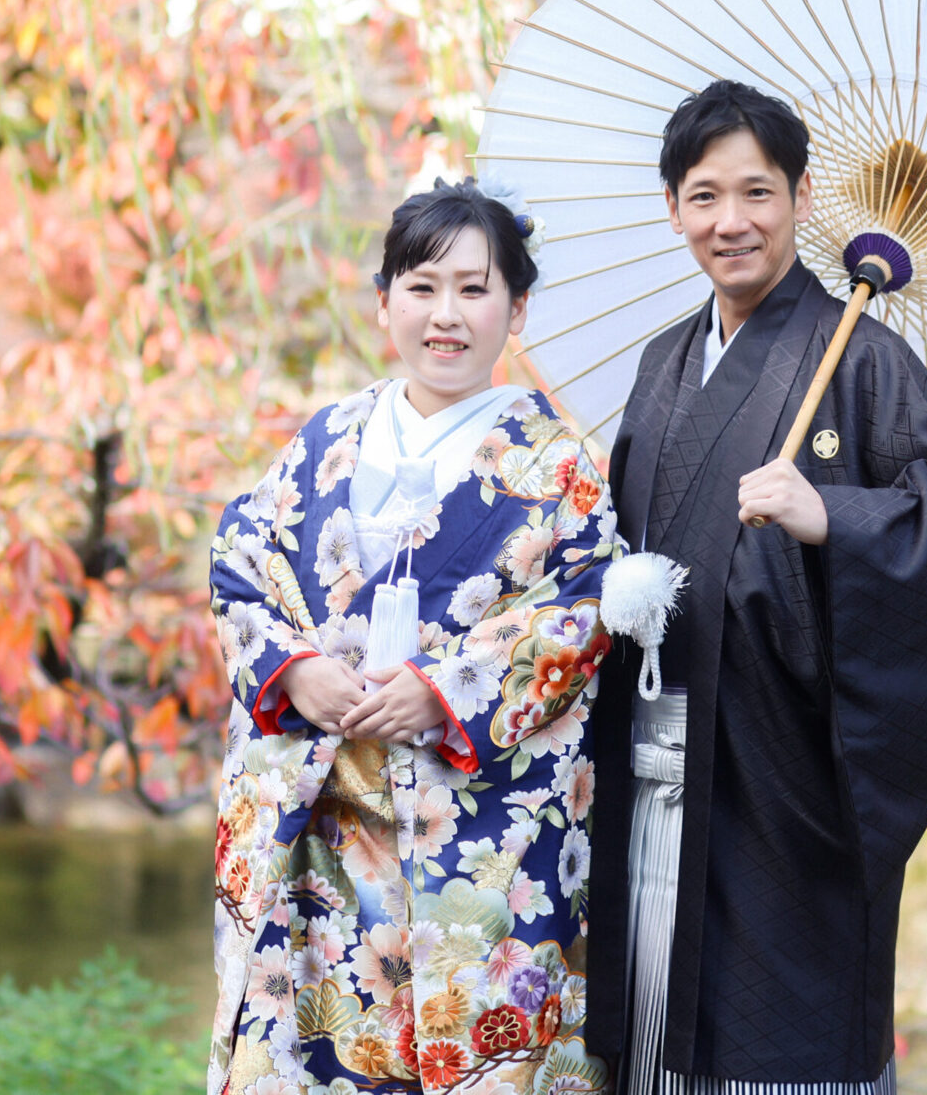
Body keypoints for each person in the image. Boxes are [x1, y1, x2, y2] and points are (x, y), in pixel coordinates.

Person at [587, 79, 927, 1093]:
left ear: (803, 196)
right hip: (651, 771)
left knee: (775, 1039)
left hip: (782, 783)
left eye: (756, 192)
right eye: (703, 196)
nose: (730, 222)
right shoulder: (661, 364)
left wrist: (838, 516)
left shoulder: (863, 359)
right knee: (649, 1037)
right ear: (672, 207)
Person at [207, 179, 624, 1095]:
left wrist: (444, 690)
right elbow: (243, 559)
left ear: (516, 308)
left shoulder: (558, 466)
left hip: (464, 832)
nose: (447, 316)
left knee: (462, 1040)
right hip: (316, 825)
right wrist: (291, 666)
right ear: (384, 298)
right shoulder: (326, 439)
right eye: (423, 286)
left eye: (476, 290)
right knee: (311, 1045)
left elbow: (581, 610)